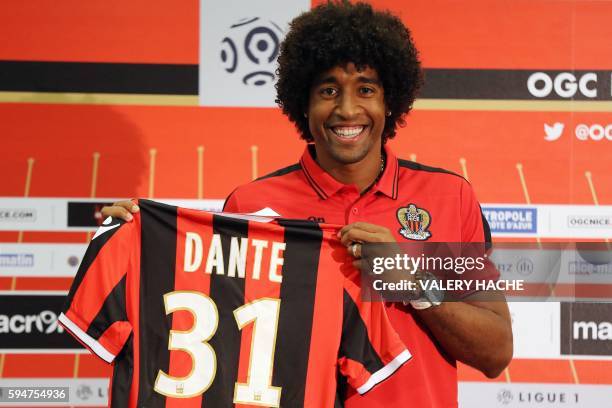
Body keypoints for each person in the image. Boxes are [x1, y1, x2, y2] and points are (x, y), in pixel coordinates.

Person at [103, 2, 512, 407]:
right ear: (303, 103)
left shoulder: (447, 197)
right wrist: (139, 242)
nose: (347, 109)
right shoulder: (254, 204)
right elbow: (216, 339)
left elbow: (494, 352)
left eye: (366, 89)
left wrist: (415, 286)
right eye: (328, 91)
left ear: (391, 101)